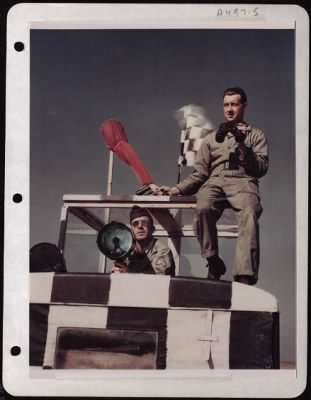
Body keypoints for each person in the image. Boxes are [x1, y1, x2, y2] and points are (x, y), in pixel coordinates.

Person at [155, 87, 268, 285]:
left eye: (234, 104)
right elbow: (199, 174)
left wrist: (243, 146)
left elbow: (260, 168)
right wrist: (176, 189)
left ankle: (245, 275)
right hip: (214, 180)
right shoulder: (210, 140)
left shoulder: (255, 135)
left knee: (249, 213)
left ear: (244, 106)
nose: (230, 109)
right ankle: (213, 259)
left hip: (243, 180)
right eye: (226, 105)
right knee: (203, 207)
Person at [112, 206, 175, 276]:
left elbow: (158, 280)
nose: (140, 226)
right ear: (131, 231)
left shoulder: (163, 251)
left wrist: (128, 272)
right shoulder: (127, 251)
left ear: (153, 229)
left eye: (144, 223)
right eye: (135, 224)